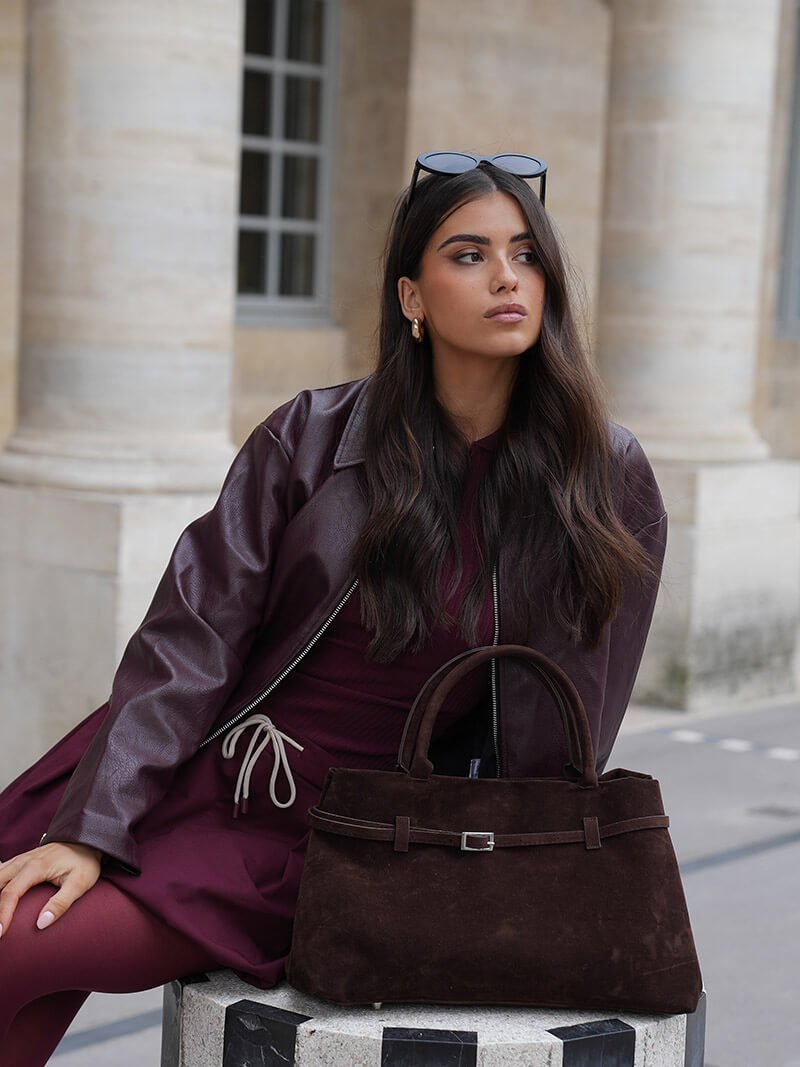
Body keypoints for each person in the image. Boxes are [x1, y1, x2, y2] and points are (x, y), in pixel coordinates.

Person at [0, 153, 666, 1066]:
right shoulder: (310, 437)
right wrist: (92, 825)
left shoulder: (602, 478)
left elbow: (568, 722)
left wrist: (483, 887)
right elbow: (189, 637)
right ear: (412, 298)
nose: (508, 276)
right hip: (178, 765)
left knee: (20, 943)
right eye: (468, 255)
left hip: (331, 839)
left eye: (526, 254)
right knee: (21, 938)